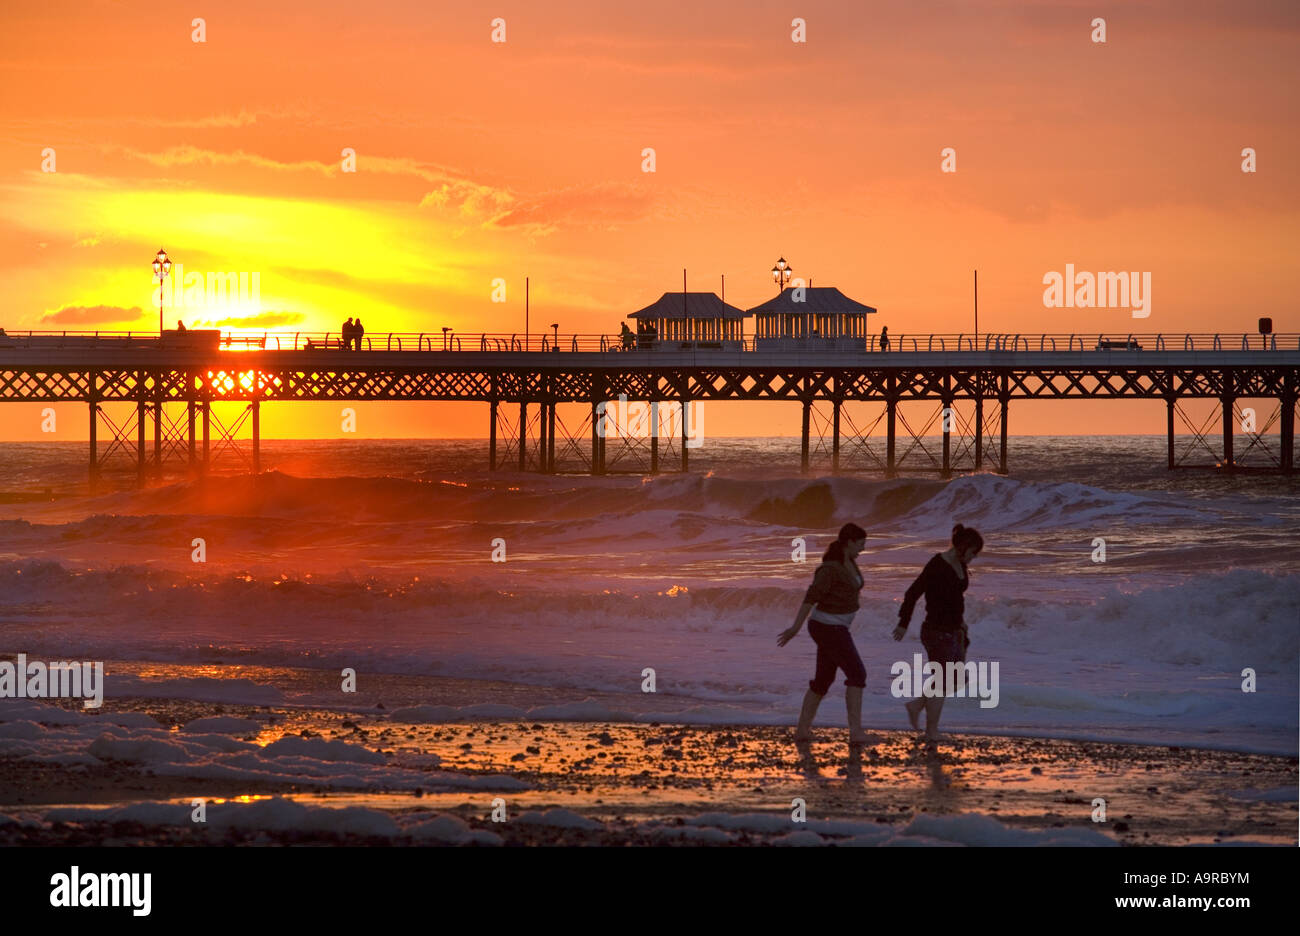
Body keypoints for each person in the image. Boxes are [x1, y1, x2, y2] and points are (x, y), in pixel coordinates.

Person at [778, 522, 873, 746]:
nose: (863, 549)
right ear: (849, 542)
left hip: (835, 627)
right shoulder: (830, 568)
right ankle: (856, 733)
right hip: (827, 627)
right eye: (860, 544)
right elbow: (811, 598)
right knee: (858, 674)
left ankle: (802, 730)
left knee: (824, 679)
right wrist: (795, 628)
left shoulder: (849, 561)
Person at [891, 523, 984, 743]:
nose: (973, 558)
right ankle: (931, 732)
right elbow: (912, 593)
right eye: (973, 553)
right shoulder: (937, 564)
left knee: (959, 679)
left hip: (956, 631)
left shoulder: (960, 564)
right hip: (936, 631)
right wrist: (904, 623)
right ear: (963, 547)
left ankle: (916, 705)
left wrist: (961, 623)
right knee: (943, 681)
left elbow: (955, 600)